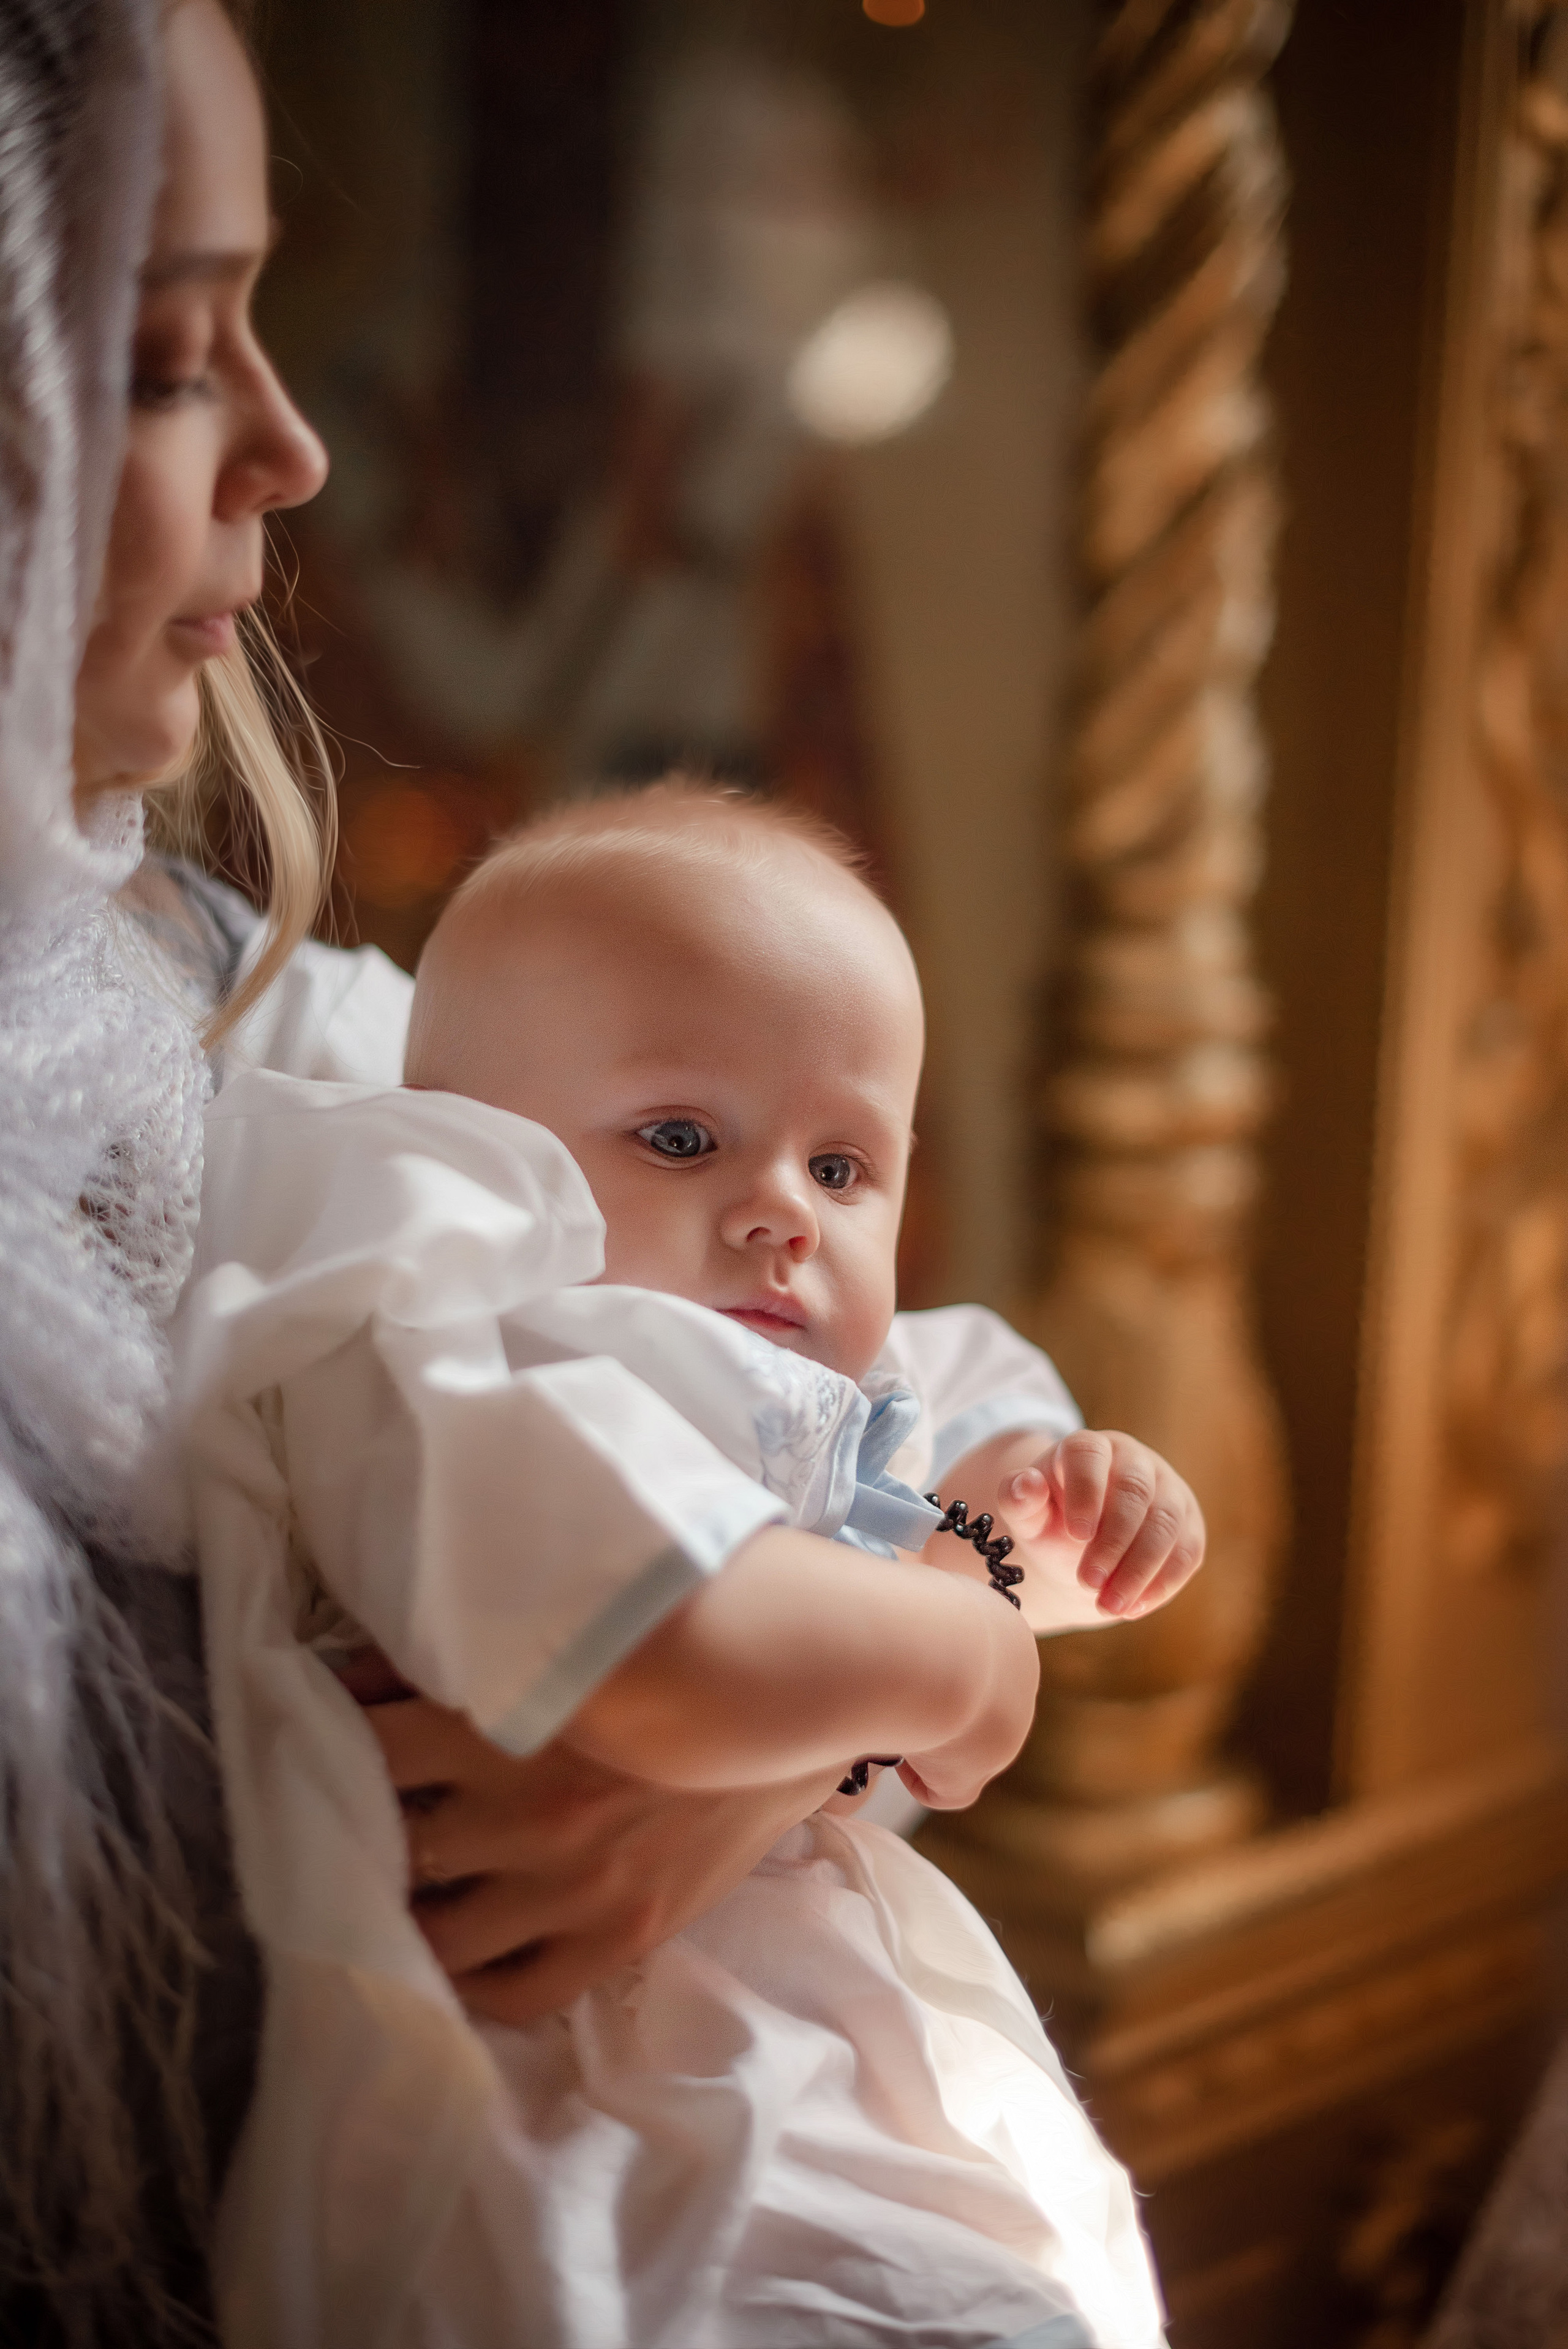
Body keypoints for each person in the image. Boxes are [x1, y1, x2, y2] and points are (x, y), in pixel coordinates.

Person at [0, 5, 1187, 2338]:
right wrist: (930, 1654)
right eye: (161, 358)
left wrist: (793, 1739)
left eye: (854, 1162)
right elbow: (750, 1612)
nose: (298, 445)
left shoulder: (196, 976)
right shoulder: (435, 1239)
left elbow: (943, 1482)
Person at [182, 785, 1203, 2348]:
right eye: (680, 1138)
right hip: (617, 2109)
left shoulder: (815, 1380)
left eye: (846, 1167)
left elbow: (994, 1493)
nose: (783, 1214)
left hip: (820, 2060)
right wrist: (972, 1646)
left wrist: (1064, 1505)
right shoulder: (510, 1352)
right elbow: (698, 1658)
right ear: (477, 1157)